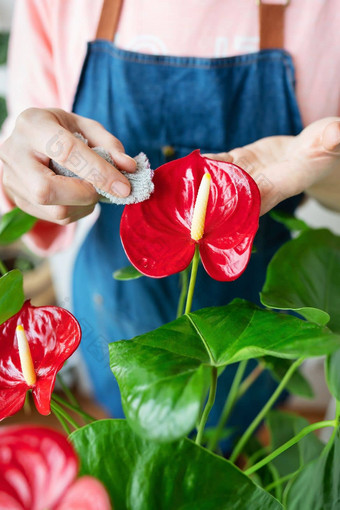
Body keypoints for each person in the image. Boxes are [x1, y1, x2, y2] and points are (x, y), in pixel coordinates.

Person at [0, 0, 339, 437]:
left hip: (249, 340)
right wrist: (26, 177)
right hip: (116, 322)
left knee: (233, 446)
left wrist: (324, 162)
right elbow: (22, 173)